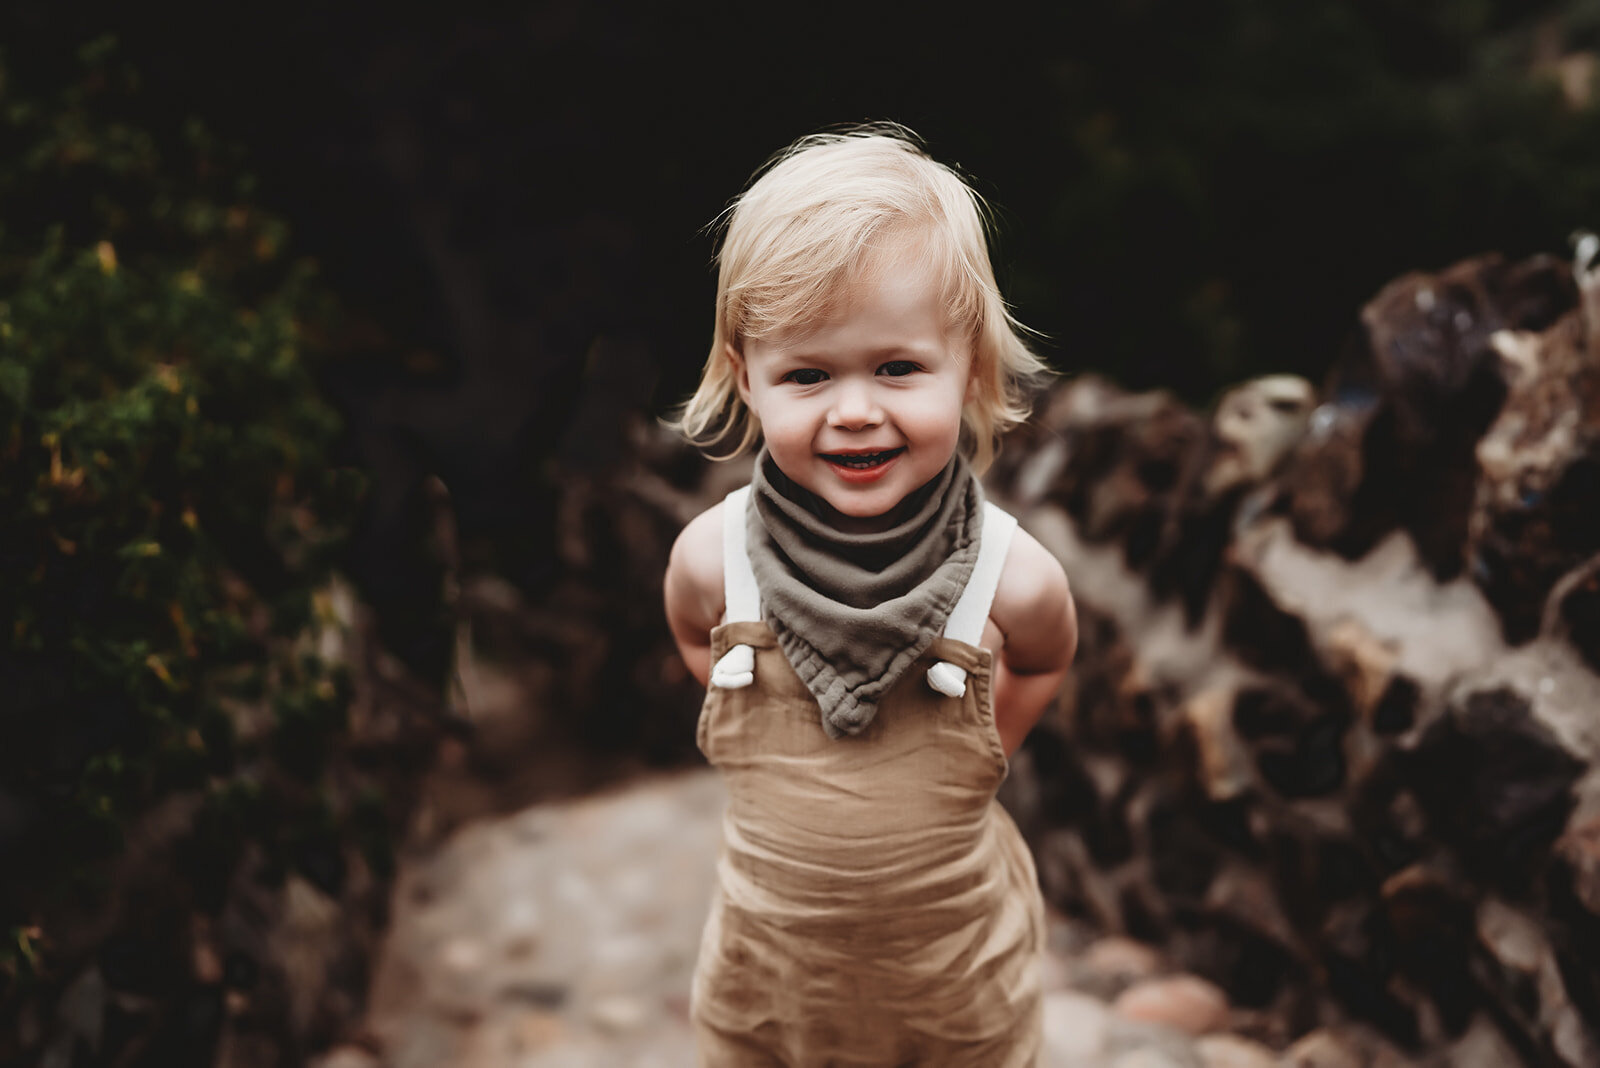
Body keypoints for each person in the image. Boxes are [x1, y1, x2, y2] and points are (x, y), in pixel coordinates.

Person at [662, 124, 1078, 1066]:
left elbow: (1048, 655)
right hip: (771, 983)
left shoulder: (1009, 575)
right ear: (746, 378)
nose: (855, 410)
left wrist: (988, 743)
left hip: (955, 985)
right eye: (807, 375)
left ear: (967, 364)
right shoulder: (713, 559)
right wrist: (743, 699)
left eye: (897, 367)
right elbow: (697, 637)